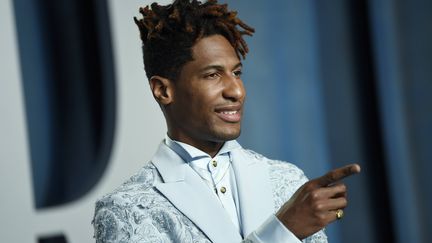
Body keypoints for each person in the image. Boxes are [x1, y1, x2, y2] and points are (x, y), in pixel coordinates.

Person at [92, 0, 361, 242]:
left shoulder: (287, 180)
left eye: (237, 72)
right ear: (163, 90)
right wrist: (283, 230)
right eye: (212, 75)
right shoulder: (126, 209)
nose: (237, 91)